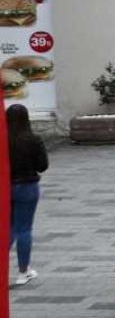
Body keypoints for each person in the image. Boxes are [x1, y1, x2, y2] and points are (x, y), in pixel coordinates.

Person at [8, 104, 47, 287]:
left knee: (8, 228)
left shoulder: (3, 139)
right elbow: (42, 165)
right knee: (23, 229)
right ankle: (23, 272)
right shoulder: (33, 139)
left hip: (5, 187)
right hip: (27, 187)